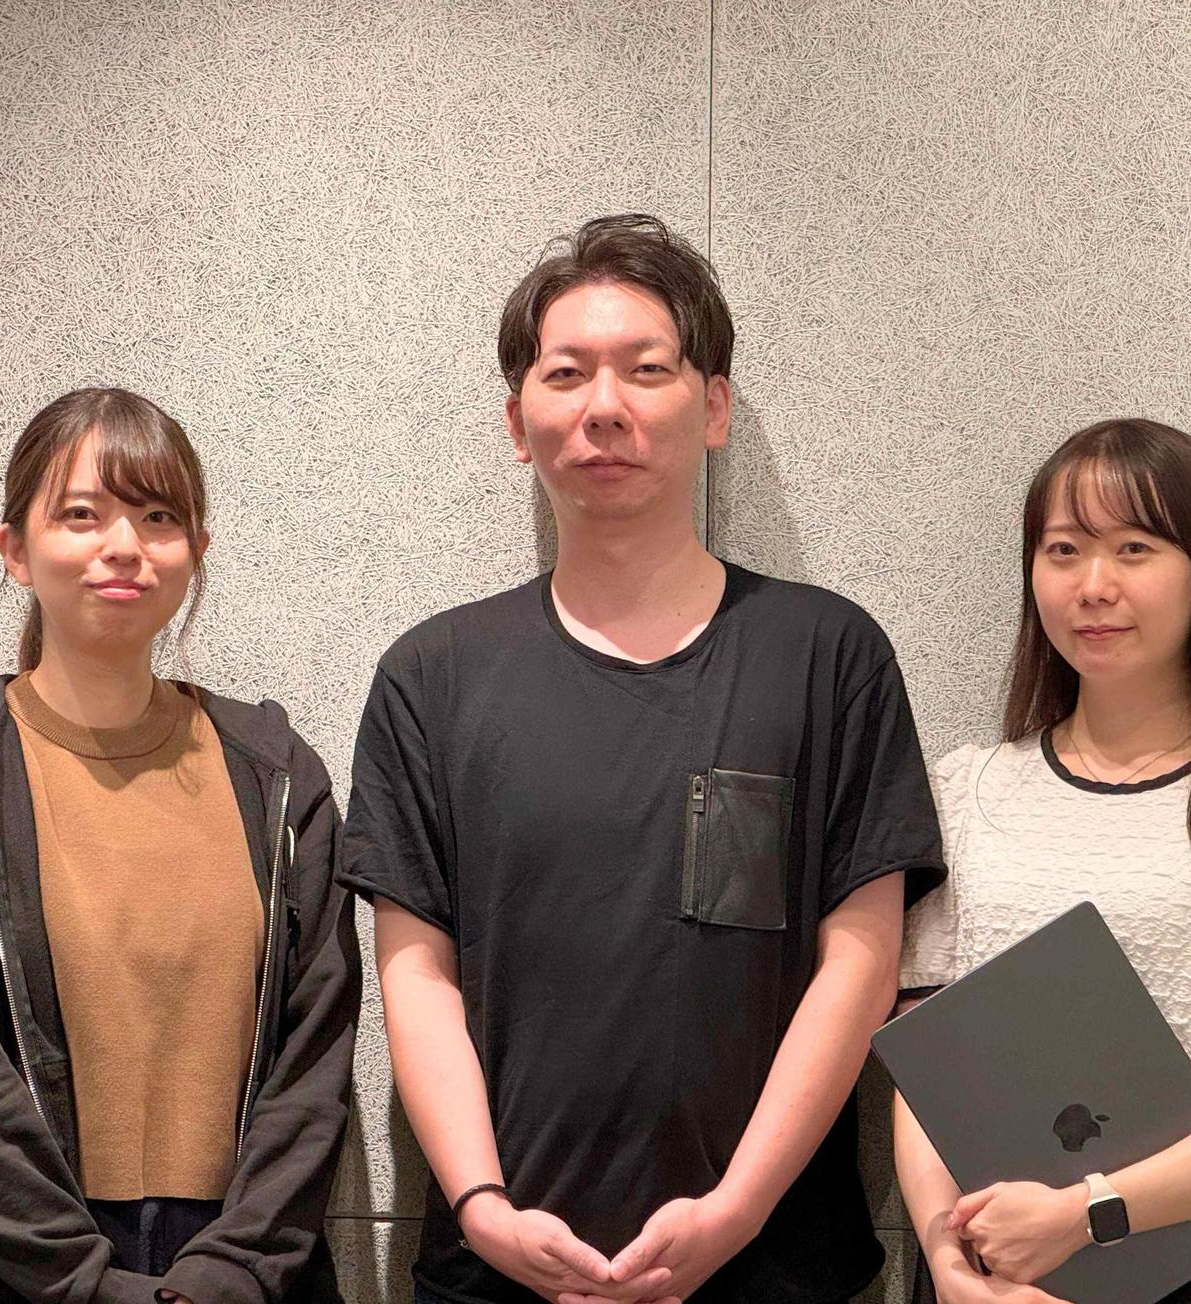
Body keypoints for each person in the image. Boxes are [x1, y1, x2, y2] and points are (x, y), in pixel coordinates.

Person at [339, 214, 944, 1304]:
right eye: (565, 373)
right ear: (518, 422)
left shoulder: (825, 655)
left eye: (647, 369)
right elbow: (416, 975)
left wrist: (737, 1208)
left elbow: (860, 959)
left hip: (773, 1266)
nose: (604, 406)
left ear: (713, 408)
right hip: (496, 1269)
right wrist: (481, 1207)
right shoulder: (433, 677)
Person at [0, 386, 360, 1303]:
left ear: (197, 548)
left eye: (158, 516)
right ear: (16, 550)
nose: (124, 545)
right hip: (19, 1272)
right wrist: (82, 1280)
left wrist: (228, 1272)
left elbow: (316, 1052)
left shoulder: (277, 775)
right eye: (82, 514)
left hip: (245, 1275)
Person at [894, 417, 1191, 1304]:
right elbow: (927, 1069)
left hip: (1189, 1270)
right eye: (1064, 549)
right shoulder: (965, 789)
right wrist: (945, 1259)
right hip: (982, 1269)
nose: (1094, 585)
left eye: (1134, 548)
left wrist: (1084, 1213)